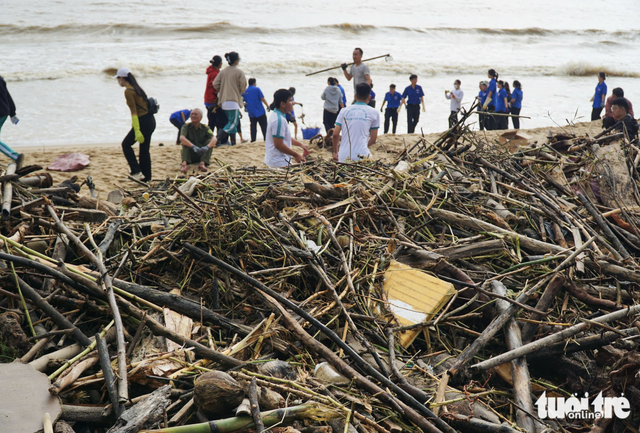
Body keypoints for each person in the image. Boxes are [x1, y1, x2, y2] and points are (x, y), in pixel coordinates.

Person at [115, 67, 156, 182]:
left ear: (122, 78)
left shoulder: (128, 91)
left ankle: (136, 171)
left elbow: (134, 112)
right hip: (150, 120)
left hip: (143, 121)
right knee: (144, 150)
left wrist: (137, 129)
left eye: (118, 78)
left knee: (126, 145)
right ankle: (146, 177)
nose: (118, 81)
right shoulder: (137, 88)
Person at [332, 83, 380, 162]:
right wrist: (363, 145)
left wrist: (336, 152)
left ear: (355, 96)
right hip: (362, 156)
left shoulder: (344, 111)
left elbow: (335, 134)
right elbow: (373, 138)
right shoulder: (374, 112)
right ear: (369, 97)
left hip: (343, 156)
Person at [264, 88, 309, 168]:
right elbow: (278, 144)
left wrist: (300, 144)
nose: (292, 103)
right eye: (290, 101)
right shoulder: (278, 120)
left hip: (276, 161)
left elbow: (284, 137)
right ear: (283, 104)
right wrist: (296, 155)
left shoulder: (278, 115)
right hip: (278, 162)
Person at [212, 52, 247, 145]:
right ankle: (216, 139)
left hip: (223, 100)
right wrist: (237, 89)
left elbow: (215, 84)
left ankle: (233, 142)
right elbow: (243, 87)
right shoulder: (239, 72)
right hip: (233, 100)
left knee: (231, 122)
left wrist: (222, 89)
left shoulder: (223, 71)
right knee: (233, 123)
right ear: (236, 61)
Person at [179, 108, 218, 173]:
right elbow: (182, 138)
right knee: (185, 143)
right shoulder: (186, 126)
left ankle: (202, 164)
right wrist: (193, 146)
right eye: (192, 114)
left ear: (200, 117)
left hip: (202, 153)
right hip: (190, 153)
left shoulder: (205, 127)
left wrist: (207, 147)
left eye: (196, 114)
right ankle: (184, 165)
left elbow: (214, 139)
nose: (193, 116)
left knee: (209, 141)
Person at [0, 75, 24, 167]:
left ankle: (15, 156)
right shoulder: (0, 79)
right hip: (5, 111)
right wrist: (12, 112)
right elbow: (7, 96)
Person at [242, 78, 270, 142]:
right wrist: (267, 105)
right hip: (259, 110)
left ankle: (253, 139)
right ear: (254, 83)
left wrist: (244, 105)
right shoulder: (257, 89)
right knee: (264, 125)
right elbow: (262, 98)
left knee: (253, 126)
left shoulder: (245, 91)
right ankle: (266, 138)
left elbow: (241, 99)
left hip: (251, 111)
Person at [204, 55, 222, 132]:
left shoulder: (211, 71)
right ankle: (213, 139)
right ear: (220, 64)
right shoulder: (214, 73)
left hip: (208, 99)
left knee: (212, 120)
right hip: (212, 100)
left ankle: (211, 138)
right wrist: (217, 96)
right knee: (215, 121)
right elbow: (213, 87)